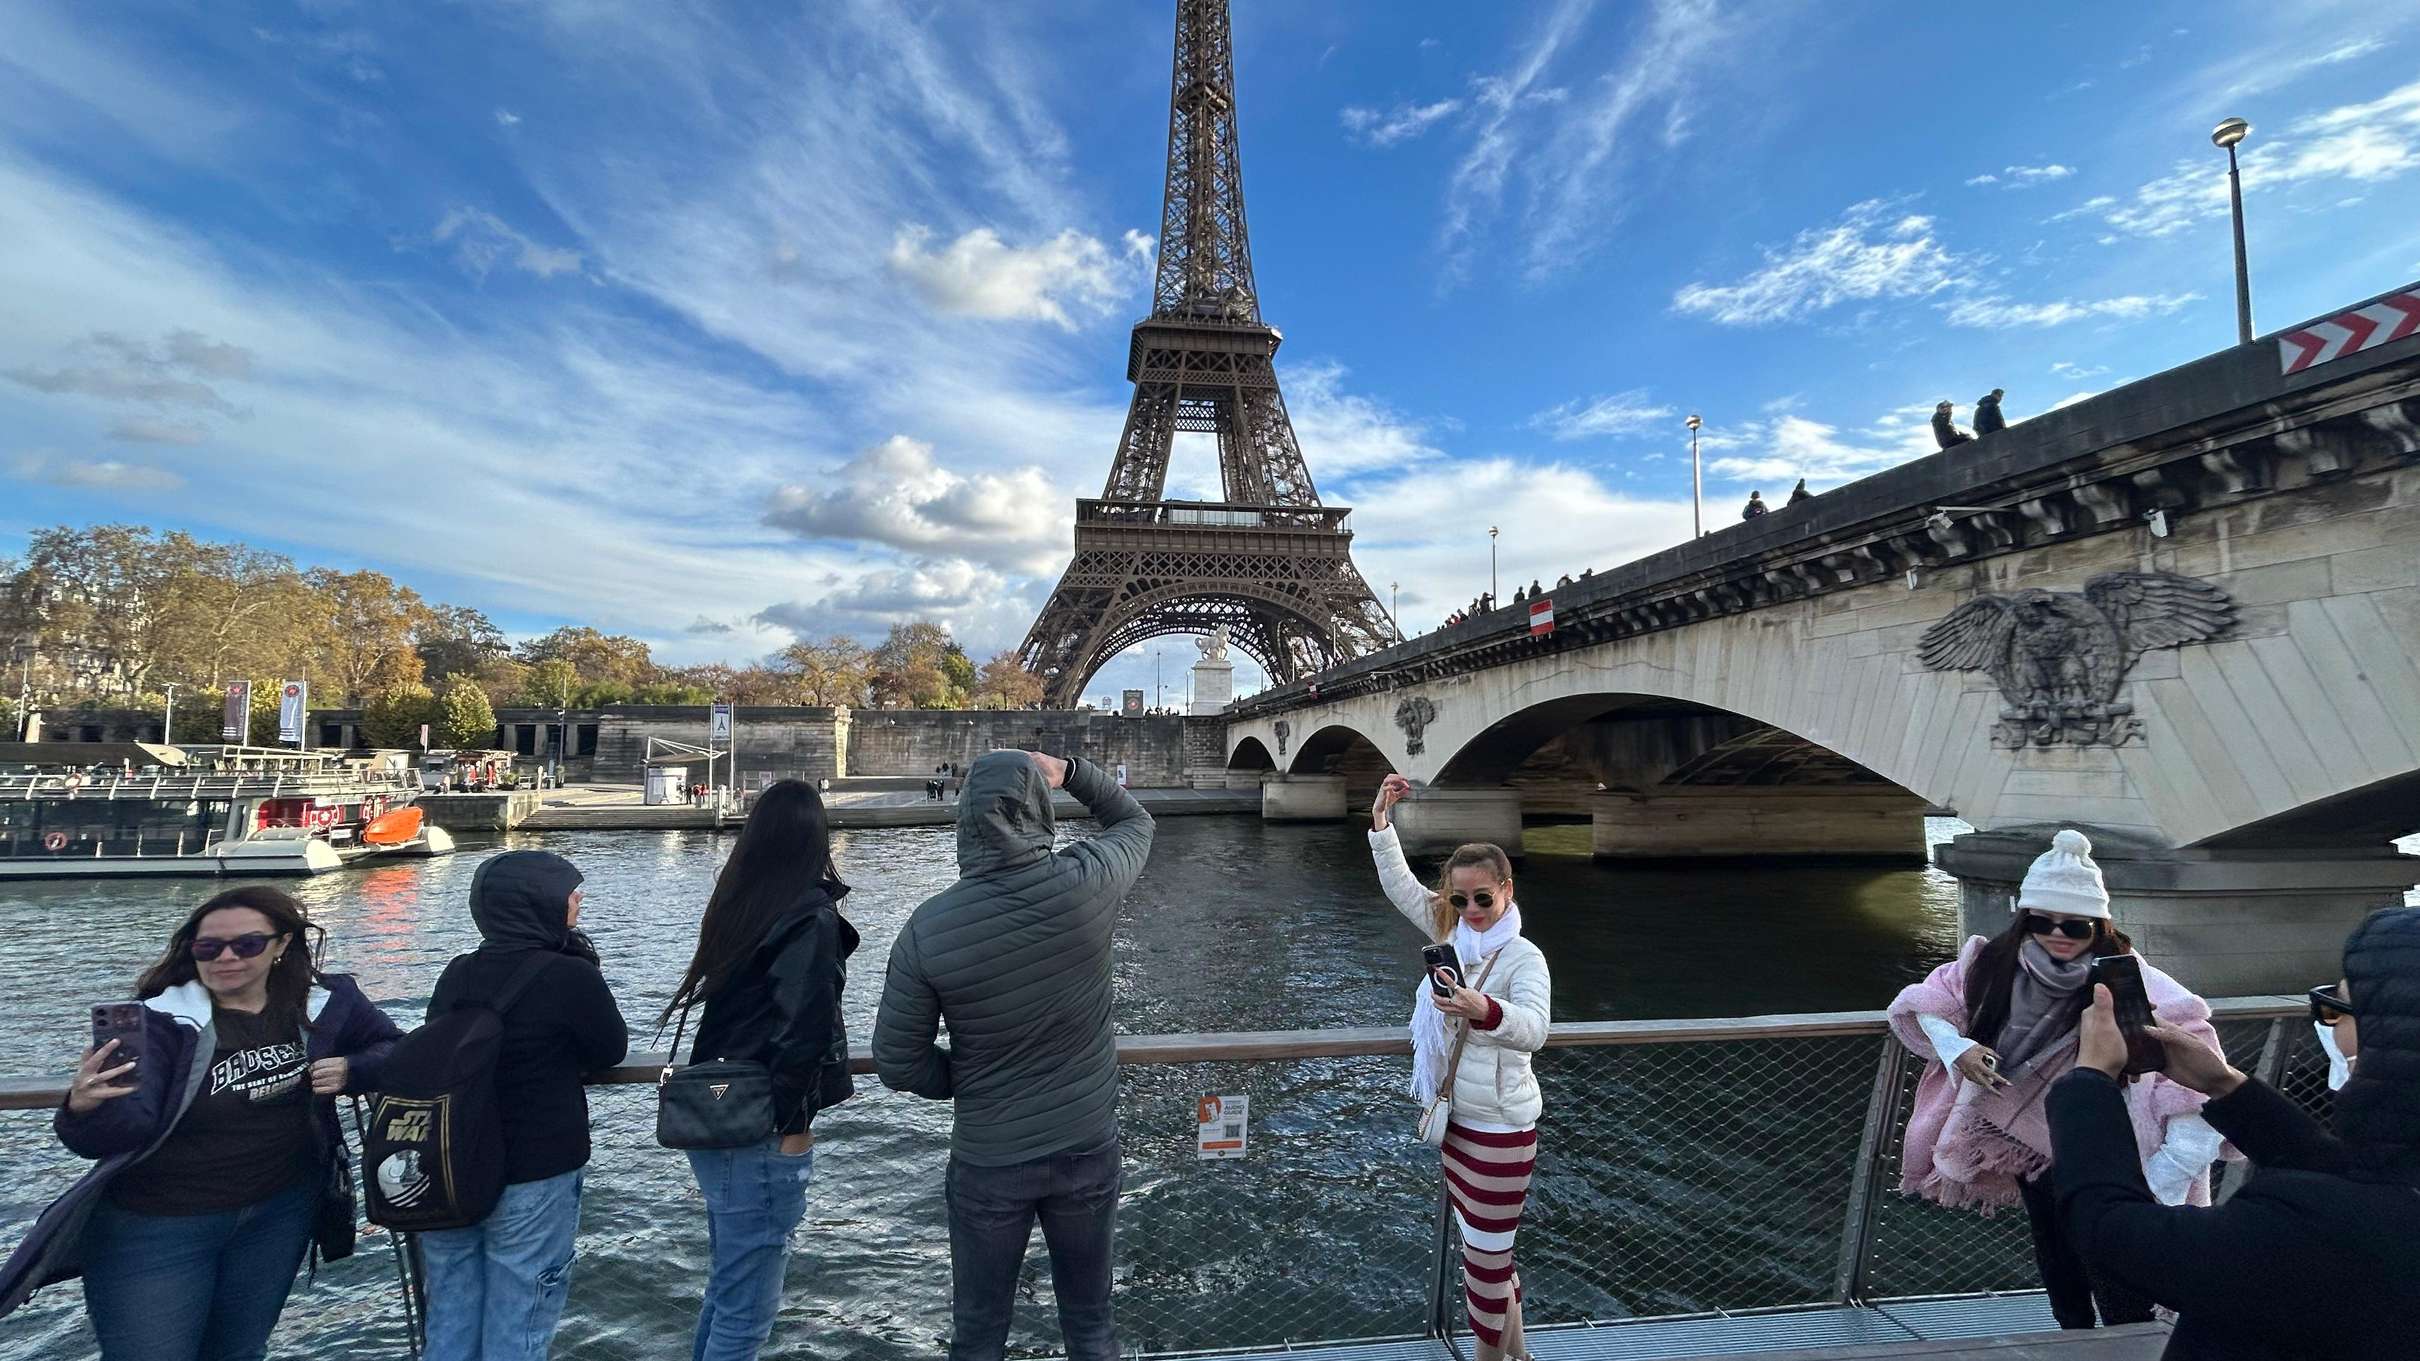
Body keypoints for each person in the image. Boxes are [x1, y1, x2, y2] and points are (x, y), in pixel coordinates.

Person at [0, 887, 403, 1357]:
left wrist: (354, 1070)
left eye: (247, 944)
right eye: (209, 947)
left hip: (277, 1213)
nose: (226, 958)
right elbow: (112, 1137)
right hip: (157, 1224)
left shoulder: (328, 1002)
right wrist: (84, 1107)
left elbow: (397, 1046)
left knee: (238, 1352)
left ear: (281, 944)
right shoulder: (159, 1022)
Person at [873, 750, 1155, 1361]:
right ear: (1040, 811)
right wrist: (1073, 771)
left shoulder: (928, 927)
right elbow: (1136, 822)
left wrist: (968, 1080)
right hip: (1085, 1144)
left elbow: (897, 1061)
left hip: (990, 1156)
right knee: (1091, 1323)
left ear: (965, 821)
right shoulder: (1088, 882)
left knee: (978, 1332)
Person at [1886, 830, 2224, 1332]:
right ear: (2025, 918)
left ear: (2100, 925)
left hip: (2109, 1141)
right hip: (2034, 1142)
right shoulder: (1992, 964)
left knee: (2108, 1250)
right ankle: (2075, 1334)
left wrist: (2174, 1163)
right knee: (2054, 1242)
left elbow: (2195, 1051)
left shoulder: (2131, 979)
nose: (2057, 933)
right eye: (2042, 920)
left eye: (2075, 924)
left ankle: (2131, 1335)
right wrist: (1959, 1049)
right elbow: (1930, 1000)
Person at [2048, 905, 2420, 1357]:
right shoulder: (2384, 1200)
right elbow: (2363, 1179)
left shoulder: (2300, 1232)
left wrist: (2089, 1081)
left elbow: (2111, 1229)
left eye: (2335, 1007)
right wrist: (2226, 1086)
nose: (2328, 1021)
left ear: (2387, 1040)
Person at [660, 779, 858, 1361]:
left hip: (719, 1112)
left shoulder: (741, 905)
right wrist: (792, 1128)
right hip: (761, 1127)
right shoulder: (808, 917)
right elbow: (802, 1031)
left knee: (729, 1290)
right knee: (747, 1311)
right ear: (815, 840)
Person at [1367, 773, 1550, 1361]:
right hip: (1456, 1125)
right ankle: (1520, 1357)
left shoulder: (1523, 957)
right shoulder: (1449, 932)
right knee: (1490, 1258)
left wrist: (1483, 1008)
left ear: (1506, 891)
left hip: (1500, 1132)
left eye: (1483, 899)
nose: (1470, 911)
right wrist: (1381, 820)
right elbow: (1400, 885)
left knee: (1484, 1270)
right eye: (1459, 899)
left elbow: (1535, 1028)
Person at [418, 851, 628, 1361]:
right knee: (521, 1317)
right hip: (535, 1165)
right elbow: (609, 1050)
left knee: (450, 1315)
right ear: (541, 902)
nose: (578, 899)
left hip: (452, 1164)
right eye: (568, 892)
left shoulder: (458, 972)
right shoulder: (570, 976)